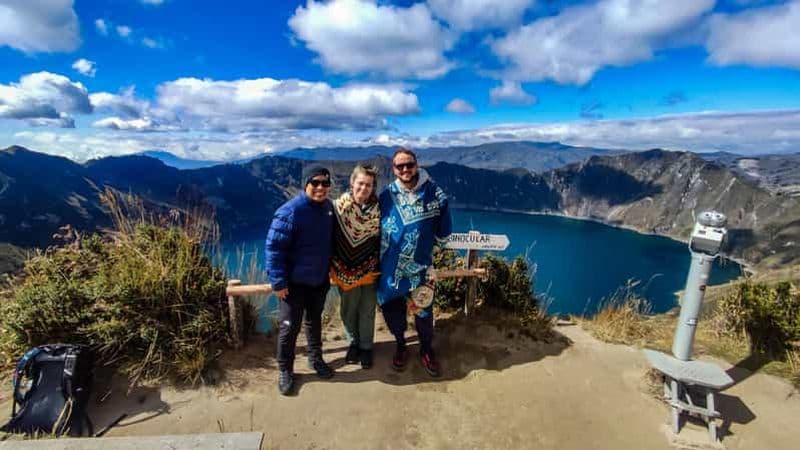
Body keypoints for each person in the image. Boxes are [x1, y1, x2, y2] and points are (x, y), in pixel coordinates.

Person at [378, 147, 452, 378]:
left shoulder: (435, 193)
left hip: (421, 269)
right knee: (393, 312)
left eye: (409, 164)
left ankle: (426, 350)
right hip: (390, 270)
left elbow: (444, 230)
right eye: (400, 166)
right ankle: (401, 345)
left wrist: (430, 256)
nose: (406, 169)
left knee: (423, 314)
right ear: (394, 170)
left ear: (416, 165)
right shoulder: (386, 195)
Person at [265, 165, 335, 396]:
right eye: (315, 183)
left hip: (318, 280)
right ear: (305, 185)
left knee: (314, 322)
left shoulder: (328, 208)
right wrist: (278, 282)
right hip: (294, 285)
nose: (320, 187)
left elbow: (331, 242)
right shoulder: (290, 211)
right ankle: (285, 369)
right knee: (289, 328)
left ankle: (315, 359)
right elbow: (274, 248)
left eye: (325, 183)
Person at [330, 165, 381, 369]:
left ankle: (366, 346)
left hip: (370, 267)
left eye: (368, 185)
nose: (364, 188)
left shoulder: (378, 210)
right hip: (343, 268)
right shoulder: (338, 207)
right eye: (360, 183)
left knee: (367, 308)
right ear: (352, 183)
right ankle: (354, 343)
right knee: (349, 309)